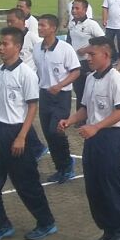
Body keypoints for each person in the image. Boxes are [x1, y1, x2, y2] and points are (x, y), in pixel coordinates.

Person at [0, 26, 58, 240]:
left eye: (5, 44)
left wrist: (22, 136)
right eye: (0, 44)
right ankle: (0, 225)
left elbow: (32, 107)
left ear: (18, 47)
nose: (1, 48)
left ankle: (46, 221)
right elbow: (2, 105)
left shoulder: (27, 75)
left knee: (26, 184)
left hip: (16, 131)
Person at [59, 36, 120, 240]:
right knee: (94, 186)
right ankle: (107, 230)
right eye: (87, 54)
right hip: (92, 137)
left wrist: (96, 127)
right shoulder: (90, 78)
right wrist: (70, 120)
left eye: (92, 54)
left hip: (110, 137)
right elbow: (85, 108)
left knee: (111, 185)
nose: (88, 57)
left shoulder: (115, 79)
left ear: (106, 55)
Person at [34, 14, 82, 183]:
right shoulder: (37, 48)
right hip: (44, 95)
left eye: (43, 25)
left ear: (53, 28)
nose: (39, 28)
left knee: (56, 130)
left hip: (61, 96)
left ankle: (67, 163)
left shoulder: (65, 48)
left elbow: (76, 71)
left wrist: (60, 85)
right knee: (48, 132)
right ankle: (60, 167)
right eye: (38, 25)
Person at [68, 0, 106, 105]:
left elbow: (103, 40)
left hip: (87, 63)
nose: (74, 11)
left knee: (89, 92)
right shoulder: (71, 24)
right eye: (73, 8)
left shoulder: (91, 24)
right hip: (75, 63)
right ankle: (80, 120)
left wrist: (86, 49)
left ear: (85, 10)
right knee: (79, 92)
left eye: (77, 8)